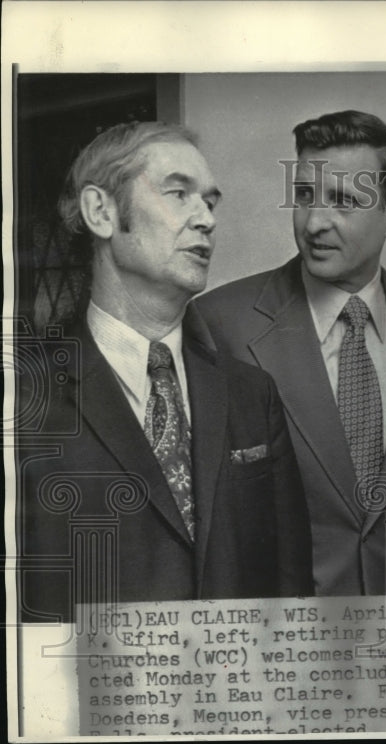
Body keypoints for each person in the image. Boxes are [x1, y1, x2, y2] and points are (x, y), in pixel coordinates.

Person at [18, 122, 313, 622]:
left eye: (210, 202)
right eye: (179, 193)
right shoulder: (23, 400)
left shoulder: (251, 395)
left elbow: (291, 592)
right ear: (101, 212)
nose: (206, 220)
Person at [194, 111, 386, 596]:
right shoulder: (219, 324)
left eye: (343, 201)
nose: (315, 222)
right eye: (304, 196)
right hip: (287, 635)